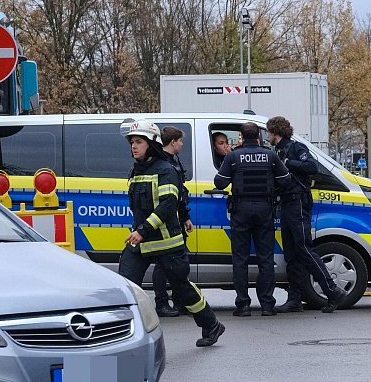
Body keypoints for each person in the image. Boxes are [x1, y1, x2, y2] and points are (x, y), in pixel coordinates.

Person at [118, 119, 224, 347]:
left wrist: (143, 230)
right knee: (125, 286)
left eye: (138, 142)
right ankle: (126, 336)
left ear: (152, 143)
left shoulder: (165, 170)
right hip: (140, 242)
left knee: (182, 288)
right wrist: (139, 232)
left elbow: (167, 206)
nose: (133, 146)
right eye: (132, 142)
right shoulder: (136, 171)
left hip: (166, 243)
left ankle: (211, 324)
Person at [267, 115, 344, 314]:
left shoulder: (295, 148)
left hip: (298, 203)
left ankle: (332, 290)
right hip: (286, 203)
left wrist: (288, 162)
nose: (267, 135)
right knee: (291, 253)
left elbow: (312, 167)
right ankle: (294, 299)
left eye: (268, 131)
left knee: (304, 248)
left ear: (275, 132)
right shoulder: (277, 150)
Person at [214, 122, 290, 317]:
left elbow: (220, 182)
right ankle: (267, 305)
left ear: (241, 136)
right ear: (258, 136)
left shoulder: (233, 156)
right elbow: (285, 180)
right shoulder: (270, 155)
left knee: (240, 259)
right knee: (266, 259)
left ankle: (243, 305)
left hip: (241, 210)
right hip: (265, 209)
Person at [151, 125, 192, 317]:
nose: (182, 144)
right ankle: (161, 303)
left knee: (178, 262)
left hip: (175, 220)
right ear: (173, 142)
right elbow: (167, 199)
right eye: (180, 141)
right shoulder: (162, 164)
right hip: (164, 222)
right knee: (162, 264)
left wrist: (186, 218)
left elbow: (179, 194)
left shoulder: (173, 161)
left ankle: (179, 301)